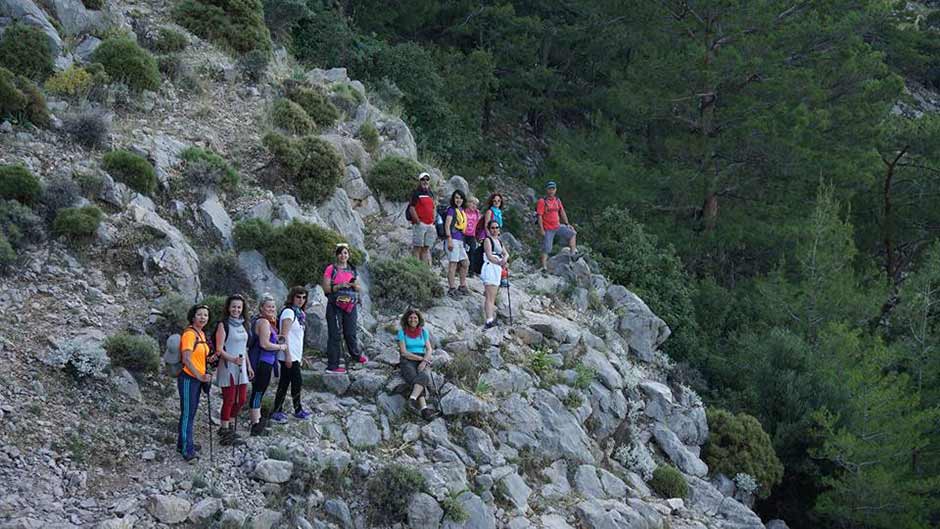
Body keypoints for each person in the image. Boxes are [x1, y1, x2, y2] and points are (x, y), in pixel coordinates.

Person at [214, 294, 252, 446]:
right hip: (228, 366)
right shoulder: (223, 325)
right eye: (234, 306)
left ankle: (229, 424)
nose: (236, 309)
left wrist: (249, 366)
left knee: (241, 399)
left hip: (241, 367)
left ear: (242, 309)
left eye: (239, 307)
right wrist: (232, 359)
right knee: (229, 399)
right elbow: (218, 349)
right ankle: (225, 429)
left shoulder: (244, 325)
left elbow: (245, 348)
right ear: (228, 308)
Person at [323, 244, 367, 374]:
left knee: (350, 332)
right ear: (337, 255)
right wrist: (339, 286)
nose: (343, 256)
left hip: (350, 305)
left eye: (346, 253)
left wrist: (354, 285)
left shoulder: (352, 269)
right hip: (334, 306)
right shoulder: (331, 269)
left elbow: (359, 288)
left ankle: (356, 356)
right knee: (335, 334)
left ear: (349, 255)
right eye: (341, 253)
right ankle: (332, 365)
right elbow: (326, 289)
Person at [247, 294, 288, 436]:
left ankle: (257, 422)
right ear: (261, 308)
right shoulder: (263, 322)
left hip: (266, 362)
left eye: (273, 306)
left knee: (259, 391)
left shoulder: (267, 322)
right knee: (258, 392)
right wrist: (280, 348)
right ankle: (255, 425)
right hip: (263, 362)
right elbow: (264, 344)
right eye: (268, 306)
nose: (271, 309)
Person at [177, 304, 214, 461]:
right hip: (188, 378)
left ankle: (183, 443)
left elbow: (198, 357)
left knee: (190, 413)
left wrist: (209, 360)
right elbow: (186, 359)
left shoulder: (201, 334)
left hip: (197, 378)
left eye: (205, 315)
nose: (203, 317)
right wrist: (199, 376)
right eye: (200, 315)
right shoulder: (189, 334)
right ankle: (187, 449)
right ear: (193, 317)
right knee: (187, 414)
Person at [270, 287, 312, 423]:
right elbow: (283, 335)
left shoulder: (299, 313)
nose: (301, 300)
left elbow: (297, 337)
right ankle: (297, 409)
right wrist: (287, 355)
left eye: (304, 297)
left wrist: (300, 355)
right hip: (288, 355)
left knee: (285, 382)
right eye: (298, 297)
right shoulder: (289, 312)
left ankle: (278, 409)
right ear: (292, 297)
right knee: (296, 382)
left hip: (294, 354)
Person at [397, 309, 437, 421]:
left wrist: (424, 361)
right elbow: (404, 352)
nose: (413, 320)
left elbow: (429, 349)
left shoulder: (423, 332)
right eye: (410, 317)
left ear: (419, 319)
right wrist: (420, 358)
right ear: (406, 319)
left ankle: (412, 400)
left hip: (422, 359)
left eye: (415, 318)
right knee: (418, 379)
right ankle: (424, 409)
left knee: (423, 376)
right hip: (407, 359)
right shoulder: (402, 332)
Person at [537, 181, 577, 272]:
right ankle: (544, 267)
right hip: (548, 228)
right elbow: (539, 216)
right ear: (546, 190)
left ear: (555, 190)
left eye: (553, 189)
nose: (551, 191)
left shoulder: (557, 200)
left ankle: (573, 254)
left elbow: (562, 212)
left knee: (572, 233)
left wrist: (567, 224)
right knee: (547, 248)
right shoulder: (542, 201)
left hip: (557, 226)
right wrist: (541, 229)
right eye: (549, 189)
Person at [481, 220, 509, 329]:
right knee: (490, 296)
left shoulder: (499, 241)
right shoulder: (488, 240)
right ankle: (489, 320)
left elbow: (506, 253)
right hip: (490, 268)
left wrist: (504, 259)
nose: (495, 230)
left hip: (496, 269)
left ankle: (490, 318)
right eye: (492, 228)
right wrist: (500, 262)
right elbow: (489, 255)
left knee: (492, 296)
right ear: (489, 229)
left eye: (496, 228)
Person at [444, 190, 470, 297]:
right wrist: (449, 239)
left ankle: (462, 285)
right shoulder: (451, 210)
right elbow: (447, 225)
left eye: (460, 198)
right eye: (456, 198)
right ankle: (451, 288)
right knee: (453, 264)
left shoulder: (462, 211)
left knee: (465, 263)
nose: (458, 200)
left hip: (460, 240)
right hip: (453, 239)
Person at [408, 172, 436, 267]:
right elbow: (411, 208)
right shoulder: (416, 193)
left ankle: (424, 270)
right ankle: (415, 268)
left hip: (430, 224)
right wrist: (417, 221)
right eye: (423, 179)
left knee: (426, 248)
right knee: (417, 247)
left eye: (427, 179)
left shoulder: (431, 193)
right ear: (419, 181)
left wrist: (433, 220)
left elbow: (433, 207)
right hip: (420, 224)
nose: (425, 181)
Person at [463, 196, 482, 265]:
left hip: (472, 235)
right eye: (472, 203)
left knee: (473, 251)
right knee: (463, 251)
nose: (474, 206)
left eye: (475, 204)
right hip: (463, 234)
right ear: (468, 203)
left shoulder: (477, 213)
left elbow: (480, 224)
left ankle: (471, 269)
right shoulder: (464, 211)